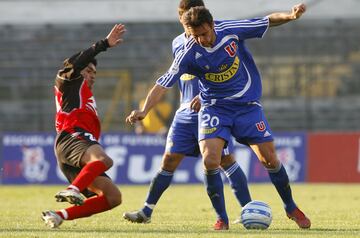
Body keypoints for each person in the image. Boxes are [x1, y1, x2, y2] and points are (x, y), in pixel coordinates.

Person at [134, 3, 311, 229]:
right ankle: (222, 219)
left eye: (204, 34)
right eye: (195, 35)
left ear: (211, 25)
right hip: (214, 107)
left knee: (269, 159)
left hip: (246, 105)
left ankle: (290, 207)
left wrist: (290, 16)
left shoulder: (230, 29)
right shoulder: (188, 51)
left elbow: (267, 21)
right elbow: (163, 83)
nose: (201, 40)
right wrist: (144, 110)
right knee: (210, 160)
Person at [124, 0, 251, 230]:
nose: (184, 23)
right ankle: (146, 211)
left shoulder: (215, 38)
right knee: (169, 159)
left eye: (186, 17)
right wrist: (145, 109)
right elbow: (168, 80)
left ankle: (247, 210)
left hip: (211, 110)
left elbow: (226, 73)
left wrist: (206, 97)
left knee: (223, 160)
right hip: (184, 112)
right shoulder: (178, 44)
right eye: (182, 18)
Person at [41, 24, 126, 228]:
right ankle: (73, 189)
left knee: (113, 197)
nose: (92, 74)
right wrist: (103, 44)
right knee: (104, 159)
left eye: (95, 72)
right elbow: (74, 63)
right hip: (72, 136)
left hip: (72, 146)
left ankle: (59, 215)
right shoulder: (69, 82)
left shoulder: (84, 93)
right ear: (78, 70)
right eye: (89, 70)